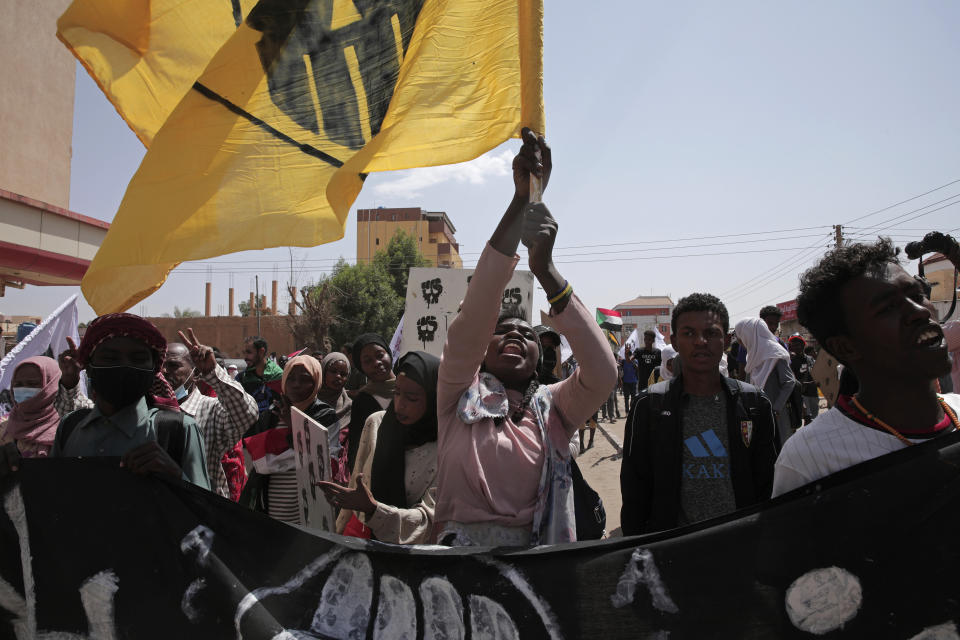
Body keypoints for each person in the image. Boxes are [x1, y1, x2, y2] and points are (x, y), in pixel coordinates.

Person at [434, 129, 617, 546]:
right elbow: (476, 312)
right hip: (456, 568)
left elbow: (603, 372)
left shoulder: (554, 407)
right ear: (481, 351)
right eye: (503, 331)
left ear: (540, 356)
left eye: (527, 334)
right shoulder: (456, 393)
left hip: (539, 567)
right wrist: (521, 200)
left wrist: (546, 270)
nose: (515, 334)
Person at [773, 238, 960, 496]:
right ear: (845, 348)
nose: (920, 311)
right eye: (888, 308)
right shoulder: (809, 459)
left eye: (917, 295)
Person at [620, 294, 777, 535]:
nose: (700, 342)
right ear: (674, 341)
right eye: (689, 333)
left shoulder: (755, 404)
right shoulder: (648, 405)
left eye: (711, 333)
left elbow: (768, 484)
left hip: (742, 549)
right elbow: (635, 491)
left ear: (725, 340)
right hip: (671, 554)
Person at [2, 313, 210, 488]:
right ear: (90, 367)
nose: (124, 367)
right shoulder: (70, 427)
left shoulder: (177, 430)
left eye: (137, 359)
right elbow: (54, 498)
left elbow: (208, 515)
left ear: (153, 368)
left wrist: (174, 477)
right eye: (110, 359)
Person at [321, 351, 440, 544]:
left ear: (434, 398)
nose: (400, 405)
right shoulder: (376, 423)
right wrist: (336, 535)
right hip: (361, 542)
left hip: (411, 560)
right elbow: (355, 483)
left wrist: (374, 510)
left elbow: (428, 521)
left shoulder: (446, 448)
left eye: (412, 398)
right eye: (397, 393)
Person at [162, 330, 259, 498]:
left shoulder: (210, 410)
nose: (164, 371)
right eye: (160, 365)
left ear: (195, 374)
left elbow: (247, 414)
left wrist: (212, 372)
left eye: (173, 365)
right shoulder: (150, 409)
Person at [240, 354, 336, 522]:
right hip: (272, 507)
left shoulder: (325, 416)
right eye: (290, 378)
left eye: (305, 379)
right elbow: (256, 459)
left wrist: (295, 426)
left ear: (316, 382)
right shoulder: (271, 415)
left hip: (309, 509)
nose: (296, 384)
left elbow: (323, 460)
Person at [0, 351, 94, 461]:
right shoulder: (4, 428)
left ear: (51, 386)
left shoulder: (72, 419)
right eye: (18, 385)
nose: (24, 390)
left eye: (33, 384)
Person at [735, 317, 797, 447]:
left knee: (778, 450)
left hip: (776, 416)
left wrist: (775, 409)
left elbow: (789, 382)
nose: (740, 341)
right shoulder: (753, 356)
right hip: (759, 414)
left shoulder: (775, 353)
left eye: (740, 336)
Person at [345, 333, 397, 472]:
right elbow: (357, 447)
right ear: (361, 367)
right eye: (368, 361)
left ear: (389, 354)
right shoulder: (362, 401)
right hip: (378, 474)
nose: (376, 363)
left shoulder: (409, 389)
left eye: (380, 355)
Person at [317, 351, 353, 484]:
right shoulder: (309, 402)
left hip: (338, 476)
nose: (338, 377)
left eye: (343, 374)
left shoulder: (350, 407)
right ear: (323, 370)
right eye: (333, 371)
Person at [237, 336, 283, 414]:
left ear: (261, 352)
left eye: (249, 352)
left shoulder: (279, 377)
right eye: (244, 353)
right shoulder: (242, 378)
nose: (245, 357)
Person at [787, 335, 820, 425]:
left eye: (798, 344)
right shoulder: (791, 362)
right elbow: (792, 380)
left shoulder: (810, 359)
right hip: (802, 394)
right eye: (793, 345)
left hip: (813, 393)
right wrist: (805, 384)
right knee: (808, 419)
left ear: (803, 345)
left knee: (815, 419)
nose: (796, 347)